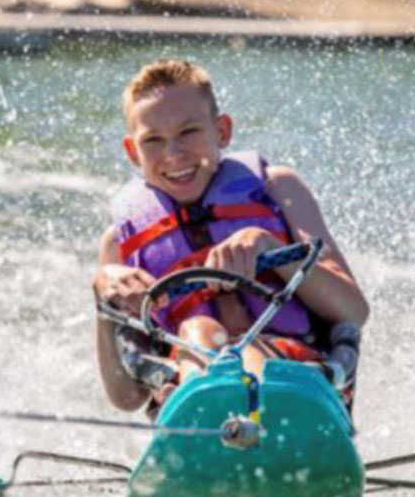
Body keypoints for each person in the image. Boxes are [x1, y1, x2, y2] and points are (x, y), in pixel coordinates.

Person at [92, 59, 369, 418]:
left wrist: (271, 247)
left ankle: (243, 418)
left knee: (239, 351)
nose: (173, 154)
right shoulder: (118, 246)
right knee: (199, 331)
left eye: (189, 132)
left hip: (295, 383)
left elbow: (353, 311)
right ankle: (214, 421)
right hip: (189, 388)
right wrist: (102, 299)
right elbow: (127, 398)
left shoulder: (278, 189)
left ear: (221, 131)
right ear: (133, 152)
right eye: (153, 140)